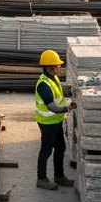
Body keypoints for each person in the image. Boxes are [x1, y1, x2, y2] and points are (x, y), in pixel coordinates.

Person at [34, 49, 75, 190]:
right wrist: (67, 109)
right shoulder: (43, 85)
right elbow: (51, 106)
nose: (60, 68)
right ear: (50, 67)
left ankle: (59, 176)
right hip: (47, 122)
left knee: (60, 147)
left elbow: (60, 93)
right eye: (58, 66)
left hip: (56, 120)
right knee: (46, 150)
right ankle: (41, 178)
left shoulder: (53, 78)